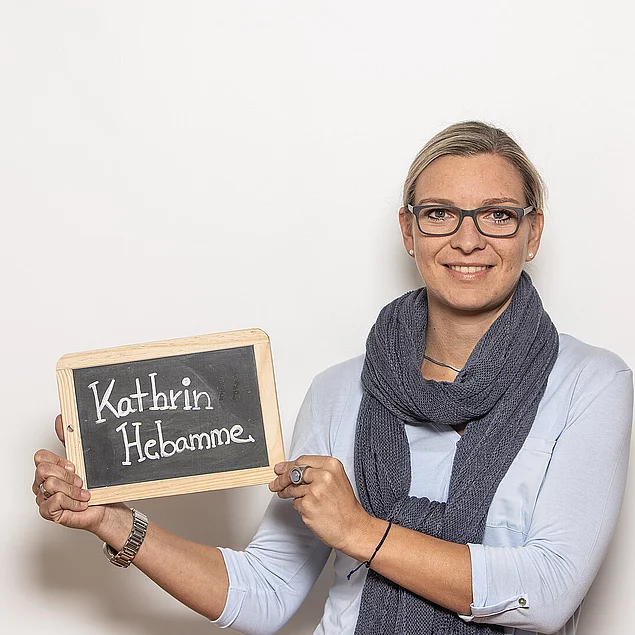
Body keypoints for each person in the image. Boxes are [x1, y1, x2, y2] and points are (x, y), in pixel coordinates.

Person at [33, 121, 633, 635]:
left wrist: (359, 531)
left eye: (498, 215)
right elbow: (267, 591)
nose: (467, 239)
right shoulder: (340, 391)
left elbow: (548, 592)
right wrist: (111, 522)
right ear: (409, 231)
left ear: (533, 232)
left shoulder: (590, 384)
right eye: (439, 214)